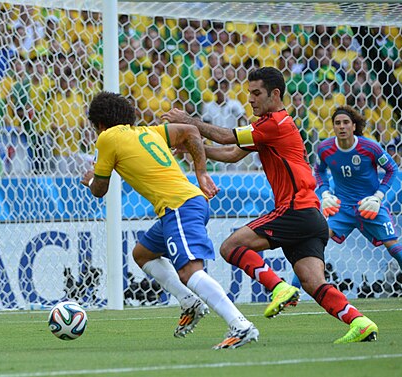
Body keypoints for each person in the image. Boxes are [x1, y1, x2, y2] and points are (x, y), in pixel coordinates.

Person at [162, 67, 378, 344]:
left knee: (230, 247)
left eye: (256, 93)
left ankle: (278, 288)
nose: (250, 99)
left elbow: (227, 137)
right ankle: (359, 322)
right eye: (249, 93)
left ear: (275, 94)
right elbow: (231, 153)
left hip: (294, 208)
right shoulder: (268, 128)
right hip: (311, 216)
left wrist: (188, 123)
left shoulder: (274, 124)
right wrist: (194, 150)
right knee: (313, 282)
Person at [83, 91, 259, 349]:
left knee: (189, 271)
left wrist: (88, 179)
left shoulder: (107, 138)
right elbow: (190, 131)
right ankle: (189, 302)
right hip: (184, 205)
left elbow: (99, 190)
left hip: (179, 207)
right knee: (142, 253)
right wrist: (200, 173)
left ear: (99, 124)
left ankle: (241, 325)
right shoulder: (149, 132)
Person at [315, 105, 402, 305]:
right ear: (333, 127)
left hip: (369, 207)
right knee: (315, 239)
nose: (341, 127)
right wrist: (325, 193)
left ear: (354, 126)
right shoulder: (325, 148)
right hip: (342, 208)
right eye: (337, 123)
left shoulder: (370, 147)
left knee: (394, 247)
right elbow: (319, 171)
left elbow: (391, 169)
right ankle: (294, 292)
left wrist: (378, 197)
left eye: (346, 123)